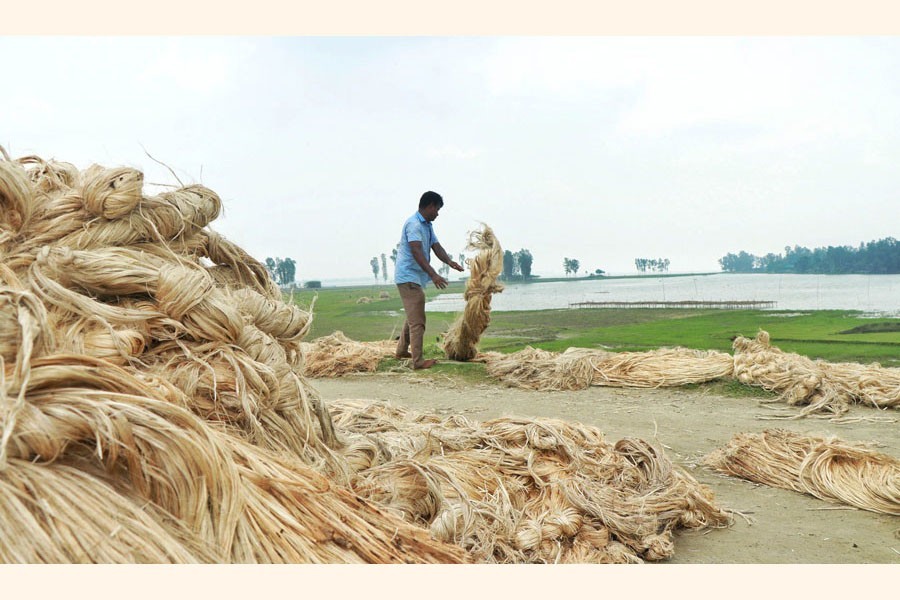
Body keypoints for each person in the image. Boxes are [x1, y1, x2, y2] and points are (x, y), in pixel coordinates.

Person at [394, 191, 464, 369]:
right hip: (407, 276)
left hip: (415, 277)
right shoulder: (414, 224)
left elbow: (436, 246)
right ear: (430, 206)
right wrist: (433, 274)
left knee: (413, 313)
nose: (438, 214)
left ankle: (402, 350)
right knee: (418, 320)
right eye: (437, 209)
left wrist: (449, 262)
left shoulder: (427, 226)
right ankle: (417, 361)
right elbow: (417, 251)